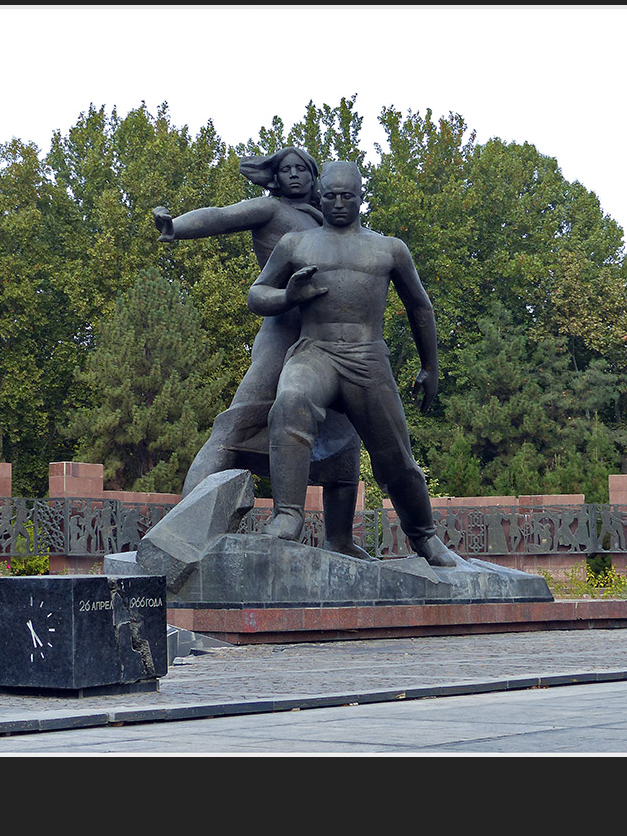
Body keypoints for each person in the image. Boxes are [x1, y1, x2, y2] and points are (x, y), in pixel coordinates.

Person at [153, 146, 364, 555]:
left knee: (343, 436)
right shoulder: (270, 212)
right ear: (274, 177)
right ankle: (184, 526)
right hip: (282, 331)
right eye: (286, 170)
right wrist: (176, 226)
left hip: (329, 341)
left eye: (303, 169)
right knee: (236, 423)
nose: (295, 176)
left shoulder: (327, 220)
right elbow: (220, 215)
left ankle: (340, 539)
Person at [247, 161, 456, 567]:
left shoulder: (389, 247)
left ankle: (426, 537)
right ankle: (287, 515)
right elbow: (257, 295)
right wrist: (288, 296)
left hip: (368, 359)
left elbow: (420, 307)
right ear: (319, 196)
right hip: (315, 351)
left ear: (362, 197)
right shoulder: (295, 244)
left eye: (348, 196)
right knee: (290, 402)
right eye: (330, 196)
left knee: (396, 456)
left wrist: (430, 367)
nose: (338, 203)